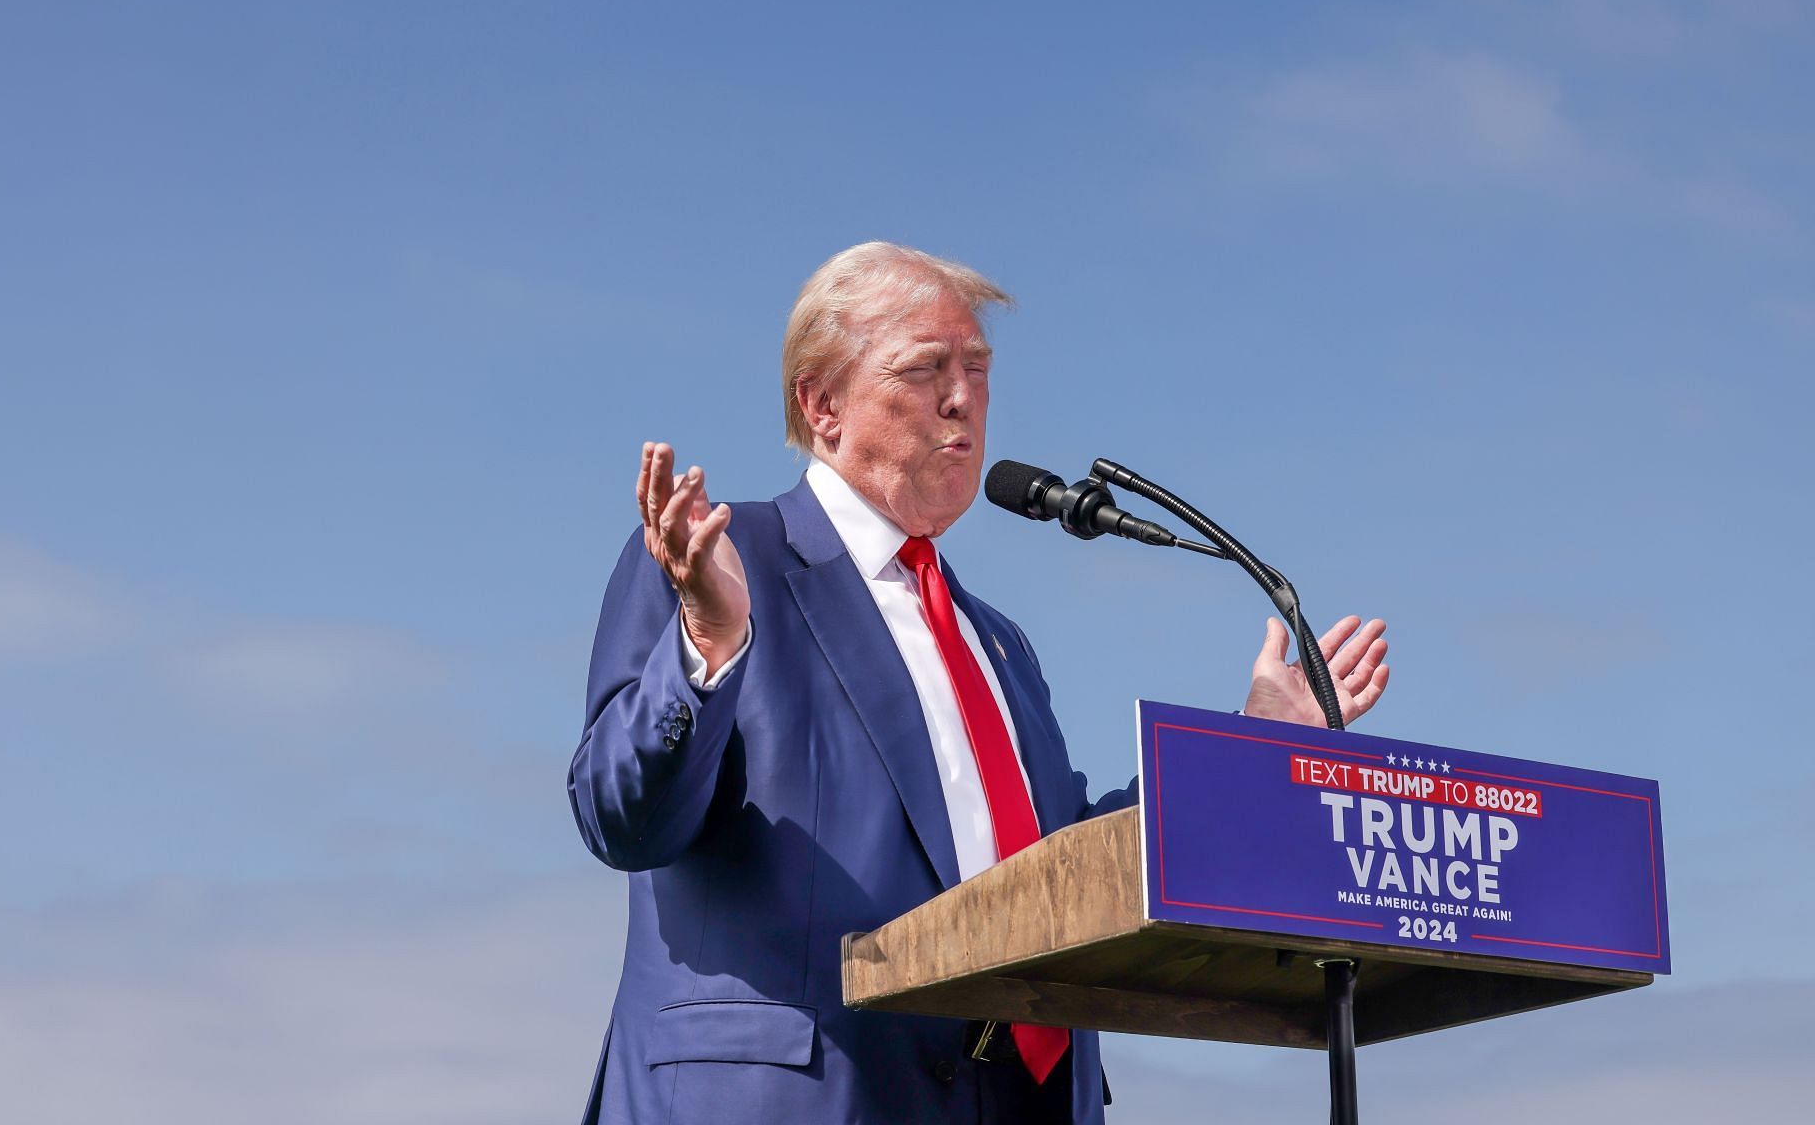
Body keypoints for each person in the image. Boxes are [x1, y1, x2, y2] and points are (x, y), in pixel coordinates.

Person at [568, 242, 1389, 1124]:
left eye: (977, 369)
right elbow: (622, 819)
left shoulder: (997, 642)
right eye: (925, 369)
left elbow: (1068, 864)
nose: (962, 398)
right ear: (822, 402)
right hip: (799, 1095)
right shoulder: (722, 562)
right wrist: (708, 641)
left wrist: (1253, 745)